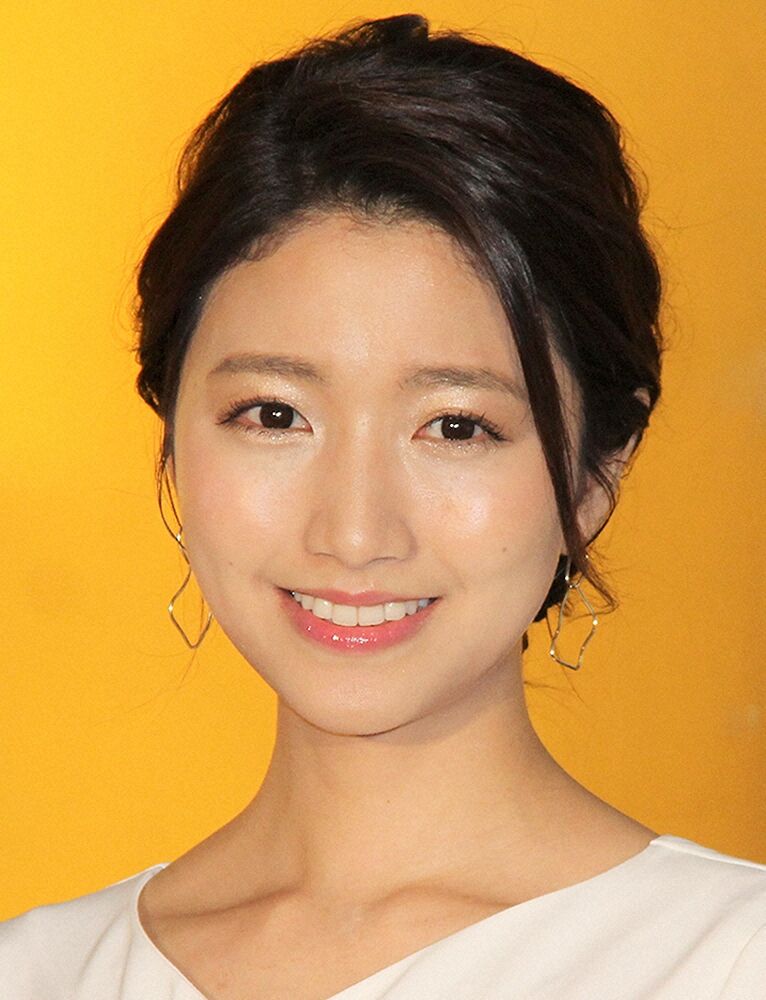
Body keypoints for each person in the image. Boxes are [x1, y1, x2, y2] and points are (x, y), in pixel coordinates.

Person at [1, 13, 764, 999]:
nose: (354, 533)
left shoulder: (726, 960)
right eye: (275, 414)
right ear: (174, 438)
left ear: (593, 476)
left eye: (455, 426)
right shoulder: (39, 972)